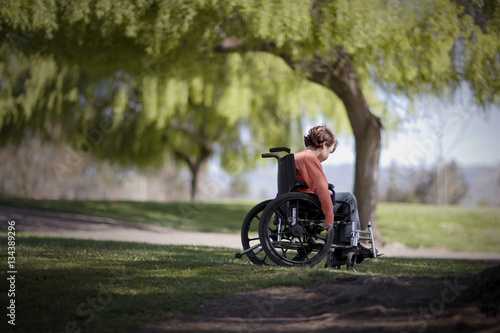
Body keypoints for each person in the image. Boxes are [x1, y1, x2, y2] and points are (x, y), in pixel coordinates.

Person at [294, 125, 361, 237]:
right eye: (329, 152)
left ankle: (340, 244)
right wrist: (329, 217)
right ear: (324, 144)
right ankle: (350, 242)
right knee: (349, 199)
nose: (328, 156)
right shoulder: (309, 159)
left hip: (297, 201)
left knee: (339, 203)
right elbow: (322, 189)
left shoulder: (296, 157)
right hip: (308, 204)